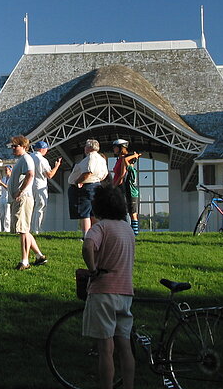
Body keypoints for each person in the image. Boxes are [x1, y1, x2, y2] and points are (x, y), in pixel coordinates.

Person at [81, 184, 136, 389]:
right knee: (125, 347)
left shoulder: (100, 227)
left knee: (106, 348)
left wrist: (92, 267)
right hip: (125, 292)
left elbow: (88, 246)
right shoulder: (128, 229)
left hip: (103, 291)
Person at [8, 136, 47, 270]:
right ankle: (39, 256)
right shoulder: (21, 160)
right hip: (19, 198)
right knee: (24, 230)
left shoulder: (26, 159)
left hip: (23, 198)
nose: (13, 148)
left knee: (23, 230)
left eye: (15, 146)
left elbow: (30, 175)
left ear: (24, 147)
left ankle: (25, 261)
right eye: (12, 146)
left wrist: (19, 192)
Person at [68, 139, 109, 237]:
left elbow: (88, 172)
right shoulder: (101, 159)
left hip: (87, 186)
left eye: (86, 146)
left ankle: (86, 235)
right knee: (93, 213)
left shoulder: (91, 157)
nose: (84, 148)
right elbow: (105, 174)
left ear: (90, 147)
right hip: (97, 184)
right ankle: (97, 234)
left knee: (85, 212)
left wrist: (78, 181)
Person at [30, 141, 62, 234]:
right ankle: (37, 229)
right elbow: (49, 175)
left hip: (30, 183)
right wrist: (56, 166)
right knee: (40, 207)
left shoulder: (30, 157)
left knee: (32, 207)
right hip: (40, 184)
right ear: (42, 149)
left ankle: (31, 228)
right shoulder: (42, 160)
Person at [111, 139, 141, 236]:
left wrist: (114, 187)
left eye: (115, 147)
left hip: (120, 187)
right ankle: (126, 231)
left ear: (121, 148)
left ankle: (129, 232)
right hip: (117, 185)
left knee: (124, 210)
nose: (113, 149)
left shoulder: (125, 159)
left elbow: (122, 175)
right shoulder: (119, 159)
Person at [0, 165, 12, 232]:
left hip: (8, 198)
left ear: (10, 171)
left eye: (6, 170)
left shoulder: (11, 179)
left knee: (7, 214)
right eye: (5, 170)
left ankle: (7, 229)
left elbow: (8, 188)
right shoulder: (4, 178)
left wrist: (1, 183)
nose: (5, 171)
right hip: (2, 197)